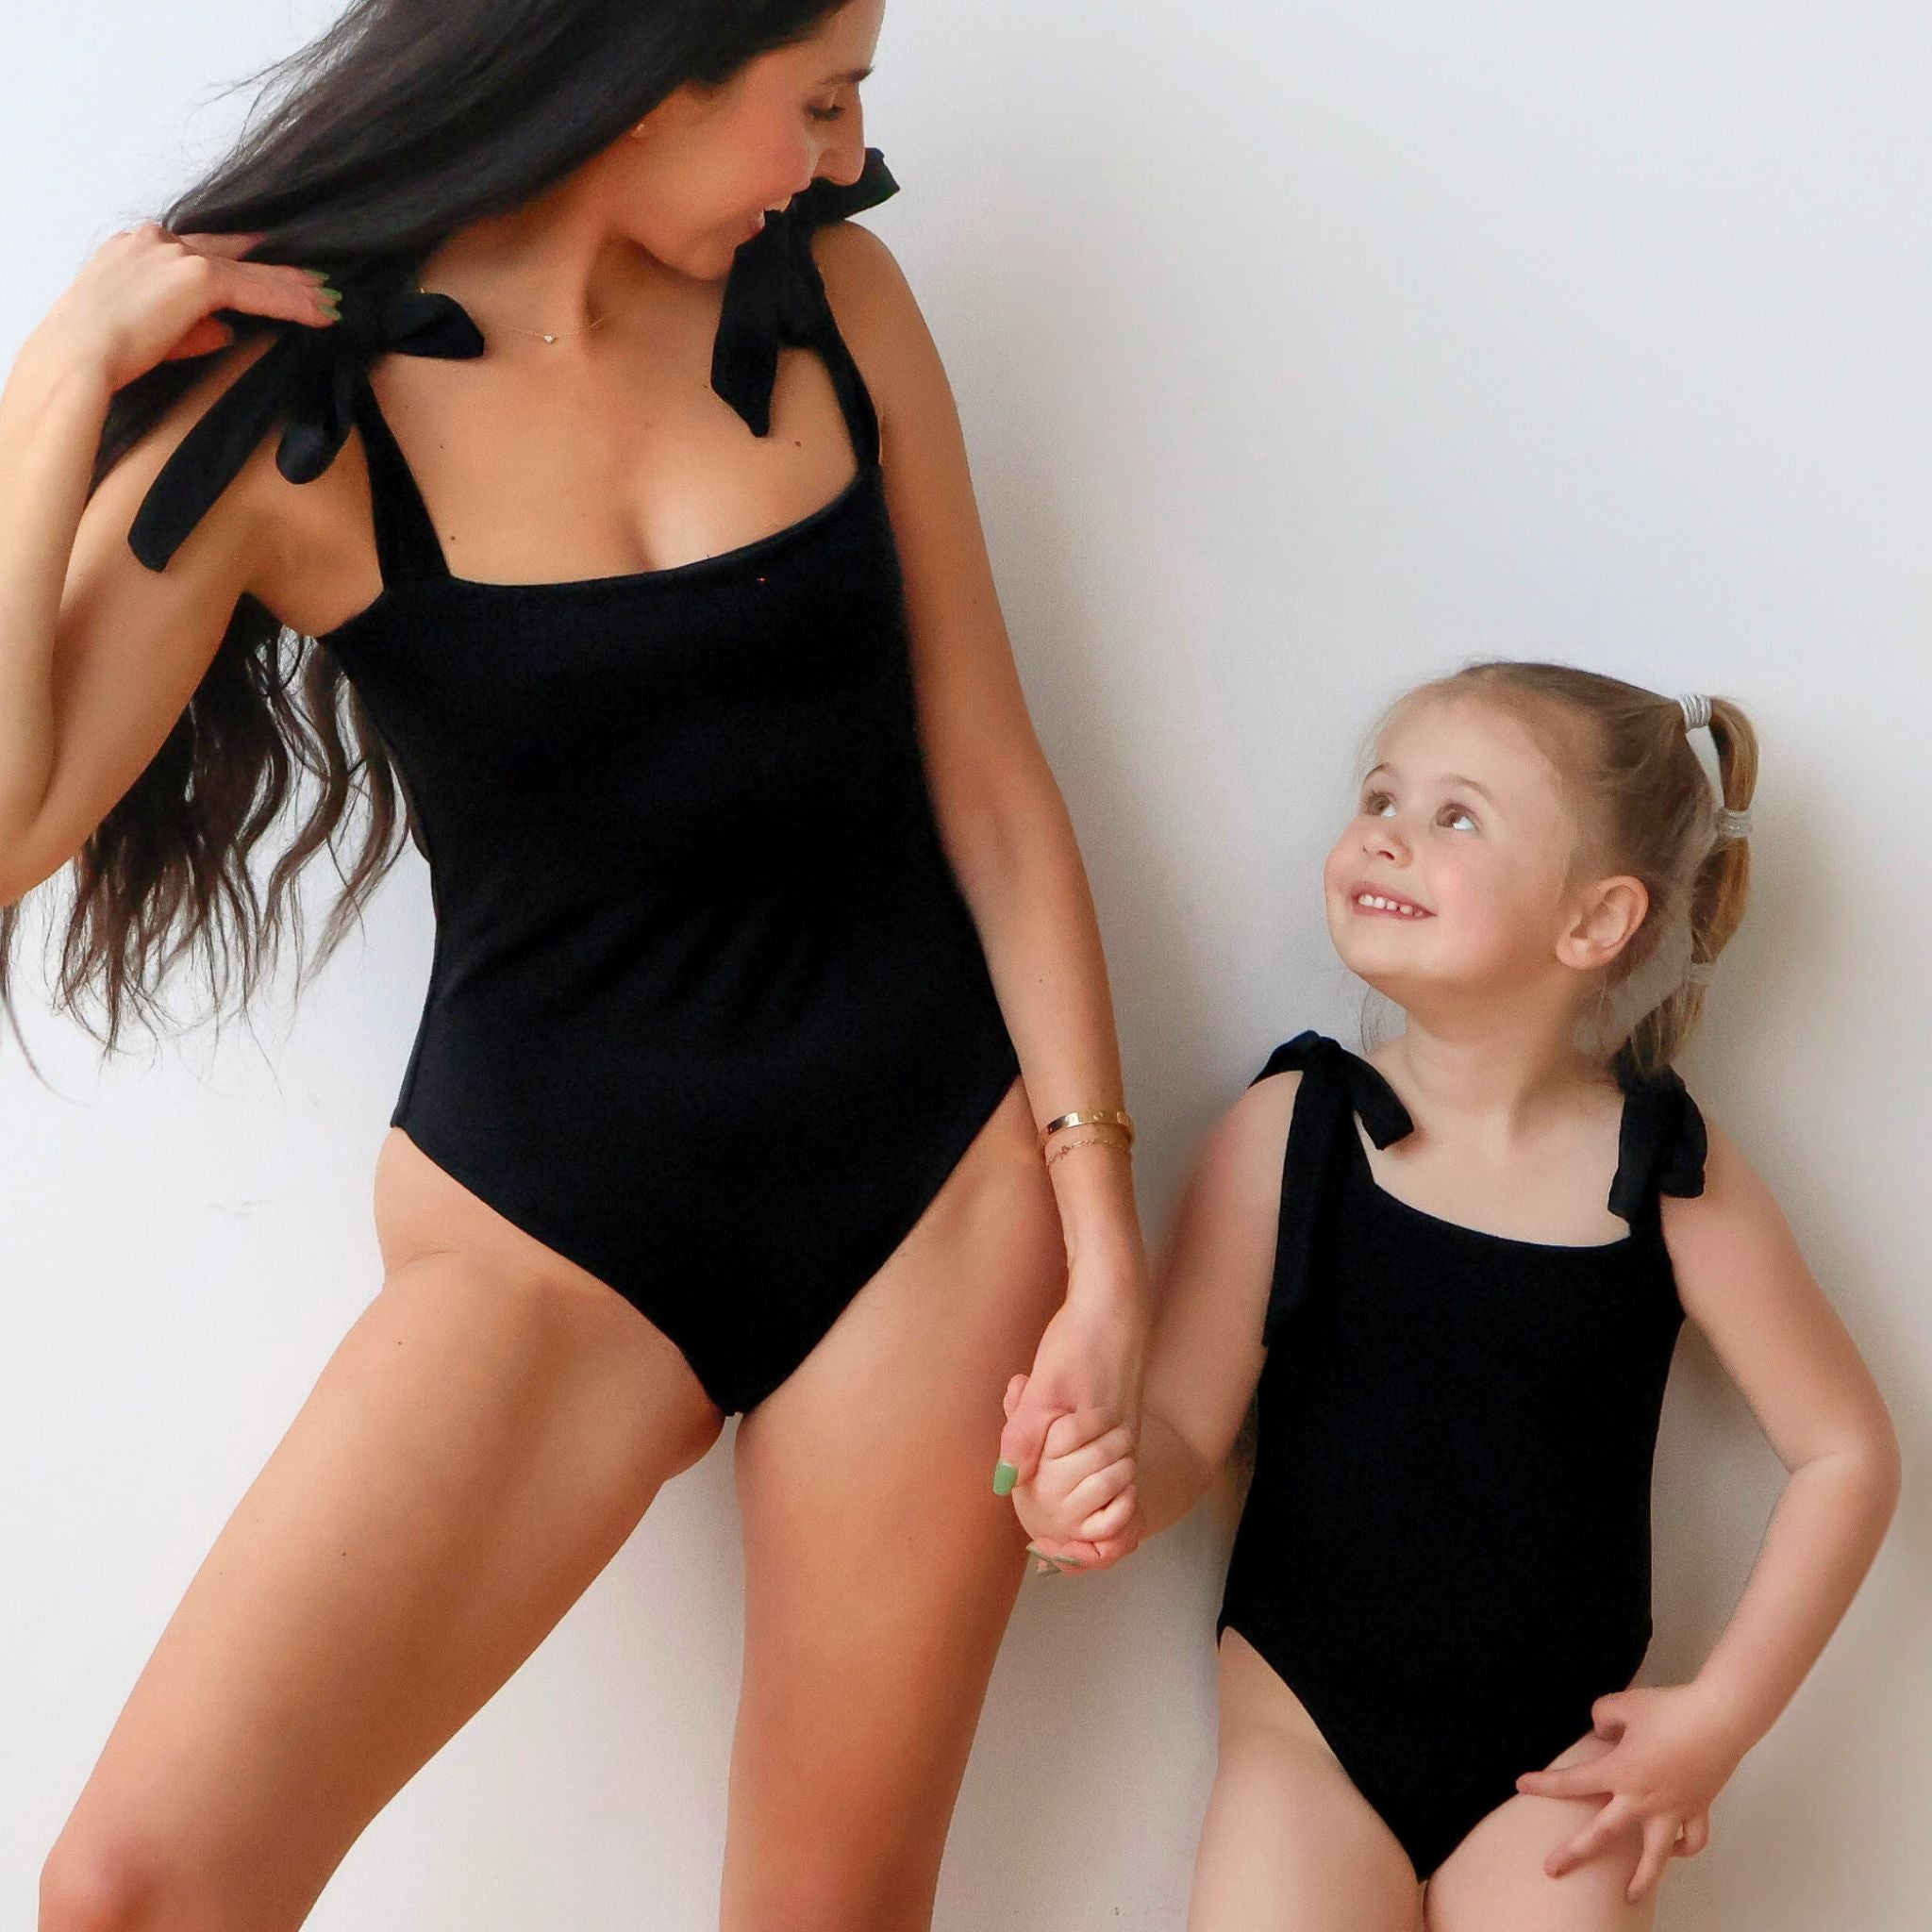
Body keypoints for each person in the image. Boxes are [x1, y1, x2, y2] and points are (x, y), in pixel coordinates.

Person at [3, 3, 1147, 1925]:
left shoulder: (838, 304)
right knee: (139, 1891)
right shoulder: (297, 417)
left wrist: (1100, 1245)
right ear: (646, 76)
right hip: (552, 1219)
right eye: (816, 99)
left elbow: (993, 786)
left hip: (929, 1196)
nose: (848, 155)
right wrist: (54, 388)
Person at [1011, 661, 1901, 1928]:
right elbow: (1179, 1439)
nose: (1386, 829)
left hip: (1557, 1778)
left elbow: (1846, 1452)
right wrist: (1084, 1493)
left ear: (1593, 922)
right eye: (1382, 794)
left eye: (1456, 817)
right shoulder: (1296, 1129)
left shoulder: (1666, 1173)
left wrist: (1723, 1720)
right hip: (1308, 1754)